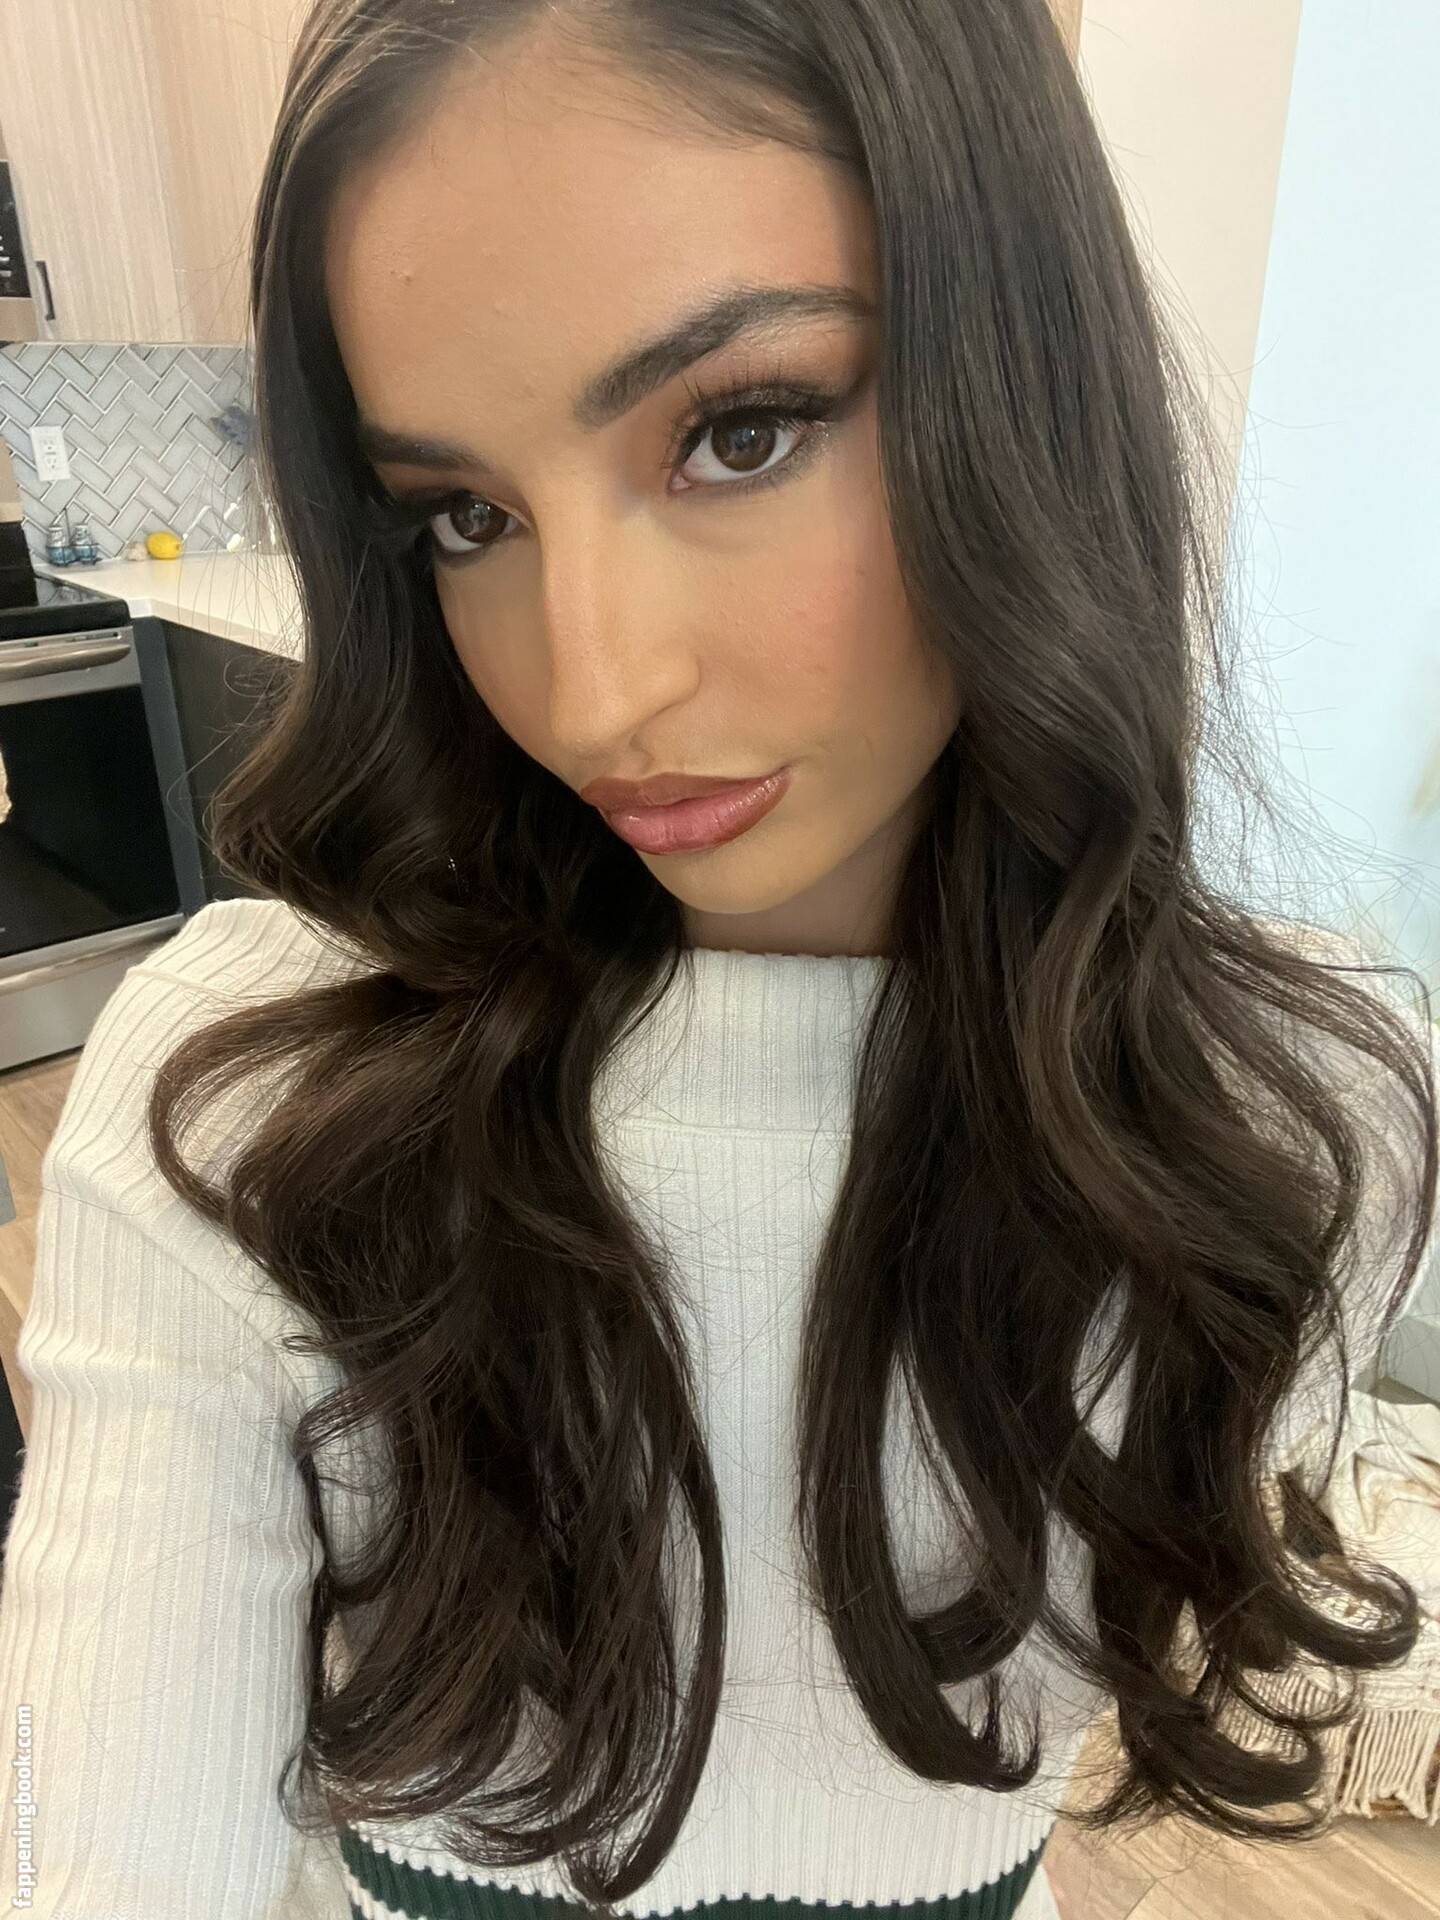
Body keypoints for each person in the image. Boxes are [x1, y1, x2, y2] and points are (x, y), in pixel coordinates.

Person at [2, 2, 1436, 1917]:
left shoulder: (1295, 1116)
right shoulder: (242, 1106)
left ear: (1024, 383)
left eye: (740, 432)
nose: (593, 688)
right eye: (465, 516)